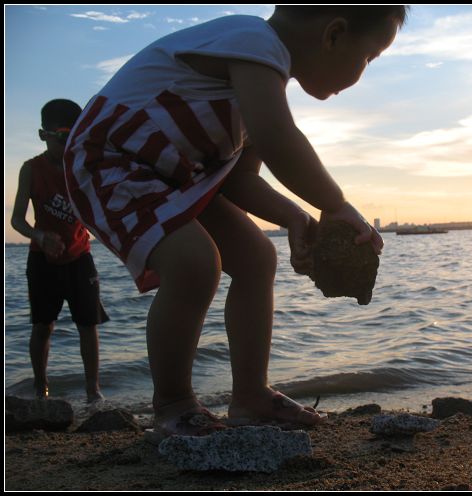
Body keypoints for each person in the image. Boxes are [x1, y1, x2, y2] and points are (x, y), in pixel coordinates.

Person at [64, 6, 407, 436]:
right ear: (333, 35)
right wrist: (334, 203)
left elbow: (240, 179)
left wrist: (294, 216)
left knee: (257, 257)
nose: (364, 70)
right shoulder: (252, 40)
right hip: (111, 161)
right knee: (194, 262)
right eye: (369, 57)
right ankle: (173, 403)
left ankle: (251, 395)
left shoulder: (260, 82)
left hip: (177, 178)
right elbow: (277, 139)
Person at [11, 99, 109, 403]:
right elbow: (17, 220)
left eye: (74, 136)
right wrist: (39, 236)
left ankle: (93, 391)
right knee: (43, 325)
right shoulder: (31, 169)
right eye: (62, 136)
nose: (68, 145)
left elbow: (99, 211)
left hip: (80, 257)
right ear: (44, 135)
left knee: (88, 325)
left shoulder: (81, 167)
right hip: (42, 259)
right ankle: (41, 389)